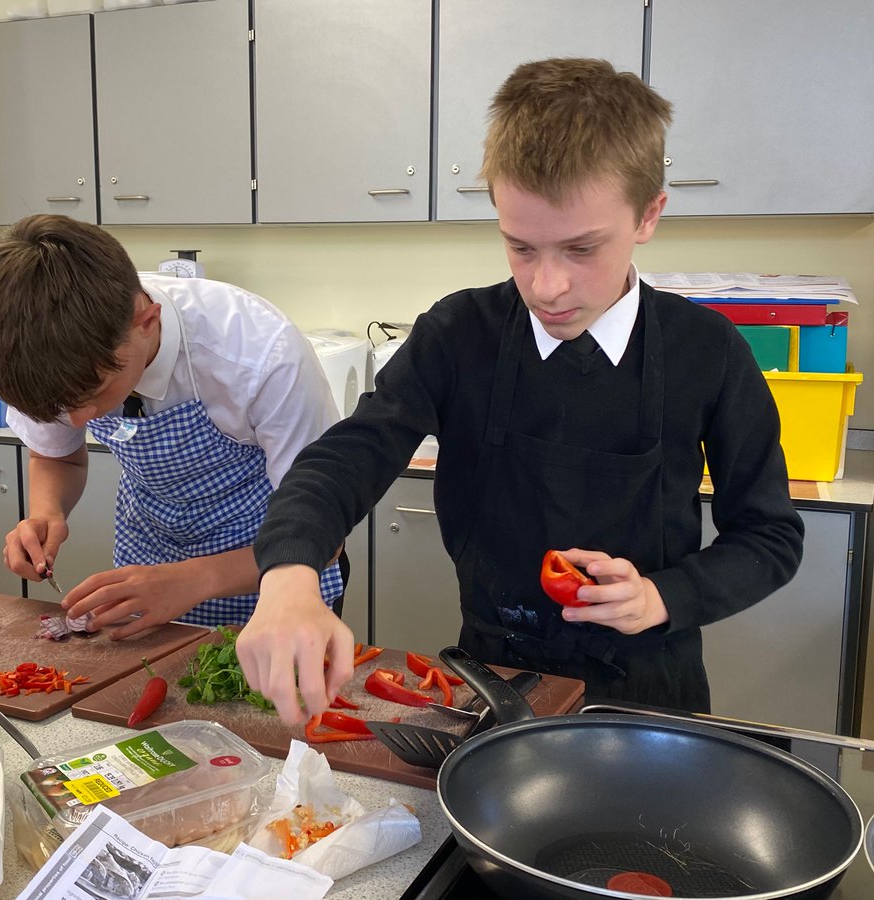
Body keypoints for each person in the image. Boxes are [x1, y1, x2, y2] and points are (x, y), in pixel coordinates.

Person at [237, 57, 805, 724]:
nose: (547, 287)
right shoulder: (458, 333)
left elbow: (770, 537)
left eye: (582, 250)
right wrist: (290, 574)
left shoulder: (707, 351)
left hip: (650, 696)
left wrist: (663, 595)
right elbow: (348, 456)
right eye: (521, 248)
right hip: (494, 680)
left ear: (649, 215)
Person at [0, 214, 344, 636]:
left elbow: (322, 535)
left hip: (273, 571)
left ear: (146, 323)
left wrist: (191, 580)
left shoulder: (261, 356)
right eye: (57, 407)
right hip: (145, 566)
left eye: (96, 394)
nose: (75, 420)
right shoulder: (47, 345)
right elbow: (57, 457)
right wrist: (47, 513)